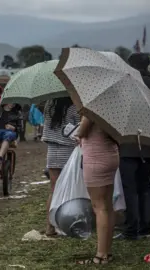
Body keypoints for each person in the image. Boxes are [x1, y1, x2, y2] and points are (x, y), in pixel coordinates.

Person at [114, 53, 150, 240]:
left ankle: (131, 230)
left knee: (130, 188)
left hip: (127, 144)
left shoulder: (124, 87)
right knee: (145, 187)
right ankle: (145, 228)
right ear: (148, 66)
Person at [76, 116, 119, 265]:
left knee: (99, 207)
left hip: (95, 159)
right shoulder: (113, 110)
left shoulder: (91, 110)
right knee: (107, 206)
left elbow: (81, 131)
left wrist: (78, 130)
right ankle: (108, 251)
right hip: (111, 155)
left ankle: (101, 255)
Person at [41, 97, 80, 237]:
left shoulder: (49, 103)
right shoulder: (74, 106)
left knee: (53, 190)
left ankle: (49, 227)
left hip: (52, 151)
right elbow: (79, 129)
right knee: (69, 191)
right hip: (68, 152)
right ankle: (67, 225)